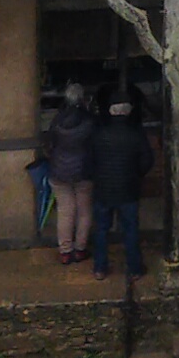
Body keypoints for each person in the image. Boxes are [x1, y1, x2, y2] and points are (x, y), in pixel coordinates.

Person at [85, 95, 151, 279]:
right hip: (128, 188)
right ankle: (134, 268)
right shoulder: (136, 133)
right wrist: (137, 175)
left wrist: (97, 178)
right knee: (130, 229)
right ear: (128, 111)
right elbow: (147, 161)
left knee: (101, 230)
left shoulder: (98, 133)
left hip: (103, 189)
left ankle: (100, 268)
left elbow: (89, 162)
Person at [37, 82, 95, 263]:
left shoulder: (57, 120)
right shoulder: (90, 121)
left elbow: (49, 144)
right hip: (84, 171)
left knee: (65, 211)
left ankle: (65, 251)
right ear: (82, 98)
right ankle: (80, 249)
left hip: (59, 171)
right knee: (84, 211)